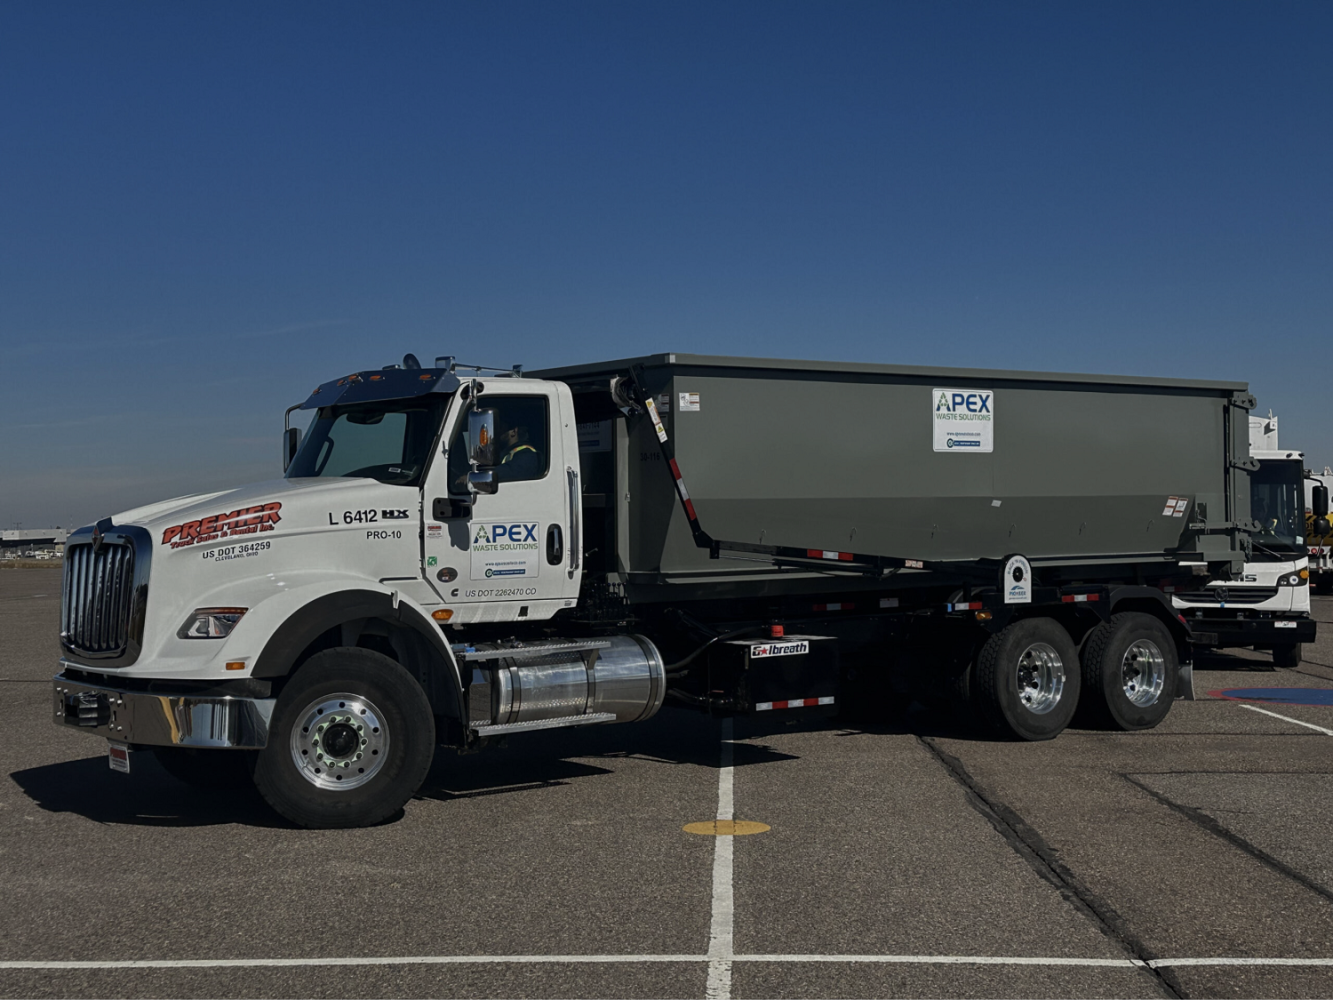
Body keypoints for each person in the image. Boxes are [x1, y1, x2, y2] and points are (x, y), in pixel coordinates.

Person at [492, 416, 543, 482]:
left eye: (501, 427)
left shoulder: (527, 456)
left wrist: (483, 474)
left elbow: (503, 474)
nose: (496, 432)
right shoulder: (509, 452)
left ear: (513, 431)